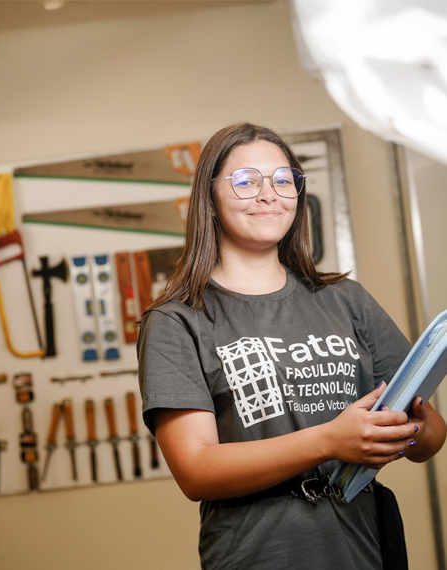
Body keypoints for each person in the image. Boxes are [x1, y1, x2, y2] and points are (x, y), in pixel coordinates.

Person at [137, 123, 446, 570]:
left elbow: (431, 435)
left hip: (365, 547)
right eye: (246, 181)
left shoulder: (347, 301)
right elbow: (195, 469)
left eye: (284, 180)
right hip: (262, 553)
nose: (269, 194)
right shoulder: (176, 321)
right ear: (209, 198)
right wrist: (329, 441)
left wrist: (404, 431)